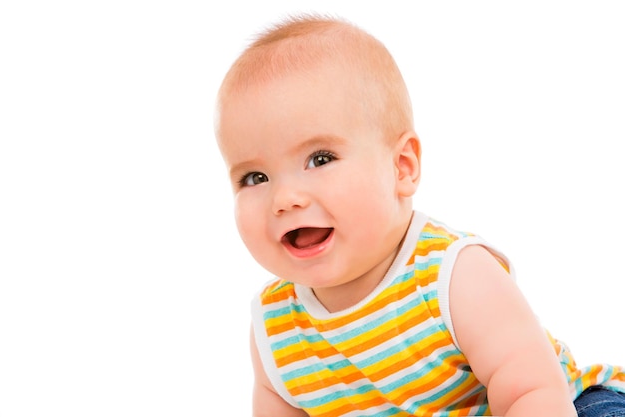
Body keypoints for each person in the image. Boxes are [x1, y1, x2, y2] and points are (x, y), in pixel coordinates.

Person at [214, 14, 625, 417]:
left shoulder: (452, 276)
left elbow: (531, 390)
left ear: (402, 167)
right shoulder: (274, 328)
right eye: (254, 177)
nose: (284, 198)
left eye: (320, 159)